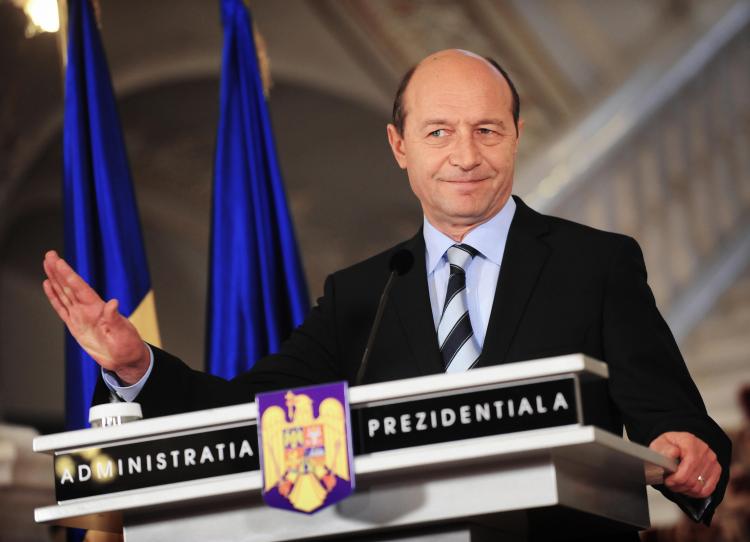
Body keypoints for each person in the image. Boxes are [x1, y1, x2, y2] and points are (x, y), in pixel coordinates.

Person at [43, 49, 730, 537]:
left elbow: (680, 424)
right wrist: (136, 369)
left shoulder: (596, 264)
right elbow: (256, 413)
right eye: (439, 133)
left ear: (517, 136)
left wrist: (689, 451)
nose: (465, 155)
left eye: (487, 130)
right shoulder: (360, 295)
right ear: (400, 146)